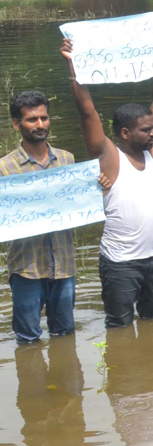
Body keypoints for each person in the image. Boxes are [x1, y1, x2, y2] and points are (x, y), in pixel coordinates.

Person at [62, 34, 153, 329]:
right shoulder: (109, 156)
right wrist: (74, 66)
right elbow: (87, 111)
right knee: (119, 328)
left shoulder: (152, 153)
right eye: (145, 130)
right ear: (124, 133)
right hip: (121, 263)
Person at [2, 91, 78, 342]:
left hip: (64, 264)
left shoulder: (67, 159)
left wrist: (98, 184)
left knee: (65, 334)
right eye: (32, 119)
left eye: (44, 118)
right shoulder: (4, 167)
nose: (40, 125)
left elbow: (78, 202)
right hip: (27, 267)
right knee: (27, 339)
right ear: (16, 124)